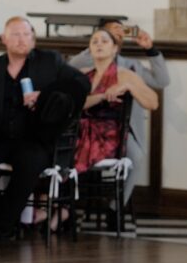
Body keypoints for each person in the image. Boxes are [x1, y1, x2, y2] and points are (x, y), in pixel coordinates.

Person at [0, 16, 90, 246]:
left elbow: (81, 83)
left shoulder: (50, 61)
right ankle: (6, 216)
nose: (22, 40)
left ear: (33, 39)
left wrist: (45, 94)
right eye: (16, 34)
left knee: (27, 167)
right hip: (1, 140)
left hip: (36, 139)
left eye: (27, 34)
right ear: (4, 38)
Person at [69, 20, 169, 210]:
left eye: (118, 31)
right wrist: (101, 37)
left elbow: (161, 81)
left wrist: (150, 49)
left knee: (136, 157)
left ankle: (115, 207)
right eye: (97, 39)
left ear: (116, 46)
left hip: (120, 127)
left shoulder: (130, 67)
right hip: (86, 126)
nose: (100, 43)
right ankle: (65, 208)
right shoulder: (85, 67)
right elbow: (73, 65)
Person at [74, 28, 158, 174]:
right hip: (81, 129)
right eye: (94, 42)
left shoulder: (125, 74)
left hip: (112, 130)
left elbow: (153, 103)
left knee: (136, 157)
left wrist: (128, 86)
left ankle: (119, 197)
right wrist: (101, 96)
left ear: (114, 49)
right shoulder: (83, 74)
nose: (99, 45)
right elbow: (74, 104)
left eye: (104, 41)